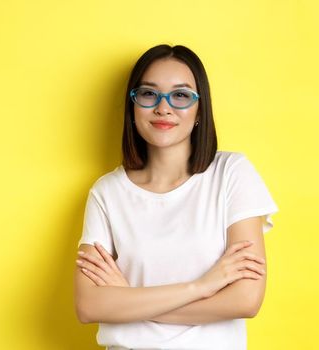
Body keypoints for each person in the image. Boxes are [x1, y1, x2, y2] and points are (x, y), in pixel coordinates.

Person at [73, 44, 279, 350]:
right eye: (148, 94)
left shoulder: (232, 174)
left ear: (199, 109)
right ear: (133, 106)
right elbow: (89, 305)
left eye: (181, 95)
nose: (163, 107)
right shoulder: (107, 192)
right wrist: (203, 286)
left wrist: (129, 300)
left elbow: (245, 299)